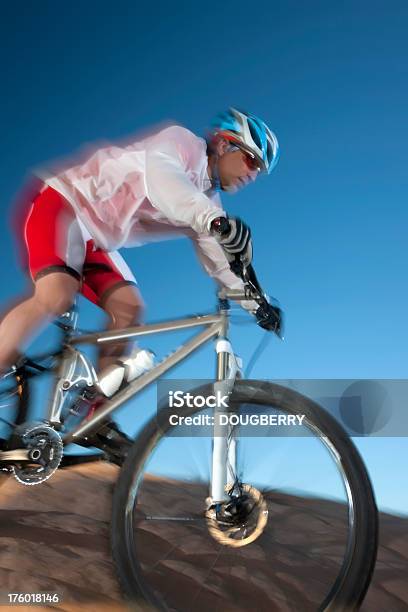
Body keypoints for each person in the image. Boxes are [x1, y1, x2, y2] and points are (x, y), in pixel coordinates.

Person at [0, 107, 282, 460]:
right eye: (252, 161)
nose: (254, 174)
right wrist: (214, 221)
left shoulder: (207, 203)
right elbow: (166, 183)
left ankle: (94, 416)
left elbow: (222, 266)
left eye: (260, 170)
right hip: (63, 205)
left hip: (95, 240)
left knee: (130, 309)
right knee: (56, 295)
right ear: (225, 145)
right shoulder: (181, 144)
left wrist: (259, 304)